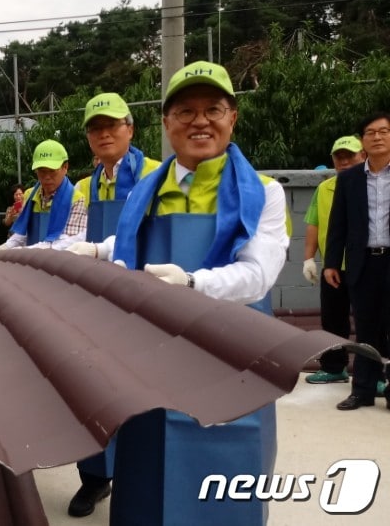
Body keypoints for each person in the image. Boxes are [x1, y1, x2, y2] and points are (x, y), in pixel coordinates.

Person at [69, 61, 289, 525]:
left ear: (233, 117)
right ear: (167, 123)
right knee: (147, 464)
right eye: (185, 111)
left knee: (227, 476)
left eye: (213, 109)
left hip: (230, 360)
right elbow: (131, 246)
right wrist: (94, 250)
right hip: (152, 360)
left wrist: (192, 284)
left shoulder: (263, 193)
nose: (200, 121)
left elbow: (258, 276)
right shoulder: (146, 192)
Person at [64, 92, 162, 518]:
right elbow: (73, 239)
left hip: (144, 305)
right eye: (95, 128)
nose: (104, 134)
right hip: (94, 303)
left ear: (130, 129)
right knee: (89, 391)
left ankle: (138, 477)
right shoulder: (85, 187)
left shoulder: (158, 176)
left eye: (112, 125)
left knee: (140, 395)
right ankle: (94, 479)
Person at [325, 112, 390, 411]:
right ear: (363, 141)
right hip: (363, 263)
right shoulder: (349, 178)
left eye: (383, 131)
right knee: (364, 330)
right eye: (370, 132)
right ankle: (362, 391)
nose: (377, 137)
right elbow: (338, 224)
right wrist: (331, 263)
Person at [302, 136, 365, 385]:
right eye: (340, 156)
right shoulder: (324, 188)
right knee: (333, 320)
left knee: (371, 322)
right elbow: (313, 225)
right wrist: (308, 258)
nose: (345, 161)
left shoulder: (374, 186)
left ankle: (374, 373)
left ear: (363, 156)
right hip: (334, 268)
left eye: (350, 155)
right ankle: (334, 367)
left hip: (367, 266)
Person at [0, 140, 86, 250]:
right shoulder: (31, 196)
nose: (47, 176)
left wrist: (22, 252)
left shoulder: (77, 200)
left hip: (58, 264)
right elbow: (22, 235)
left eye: (52, 170)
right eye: (42, 171)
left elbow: (65, 245)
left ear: (65, 167)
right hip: (30, 263)